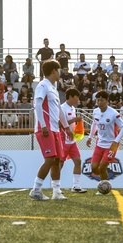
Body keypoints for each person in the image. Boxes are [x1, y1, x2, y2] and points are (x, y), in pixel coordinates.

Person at [29, 60, 66, 201]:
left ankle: (56, 191)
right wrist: (43, 125)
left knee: (57, 160)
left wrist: (66, 126)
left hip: (54, 129)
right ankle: (36, 190)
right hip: (46, 128)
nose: (60, 73)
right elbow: (37, 105)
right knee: (50, 159)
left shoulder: (53, 88)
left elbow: (59, 109)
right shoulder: (43, 85)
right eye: (59, 70)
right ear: (54, 71)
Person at [87, 91, 123, 191]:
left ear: (107, 100)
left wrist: (116, 141)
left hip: (111, 145)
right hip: (99, 143)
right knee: (93, 168)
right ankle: (103, 176)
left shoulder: (113, 113)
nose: (99, 102)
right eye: (98, 100)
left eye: (102, 100)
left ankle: (103, 188)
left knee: (103, 166)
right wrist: (90, 137)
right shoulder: (95, 111)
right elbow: (94, 123)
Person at [59, 87, 87, 193]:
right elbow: (58, 124)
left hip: (72, 140)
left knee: (78, 161)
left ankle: (76, 186)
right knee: (60, 163)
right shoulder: (62, 108)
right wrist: (74, 120)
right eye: (76, 97)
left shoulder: (73, 108)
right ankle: (56, 186)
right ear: (70, 97)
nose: (77, 100)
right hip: (63, 139)